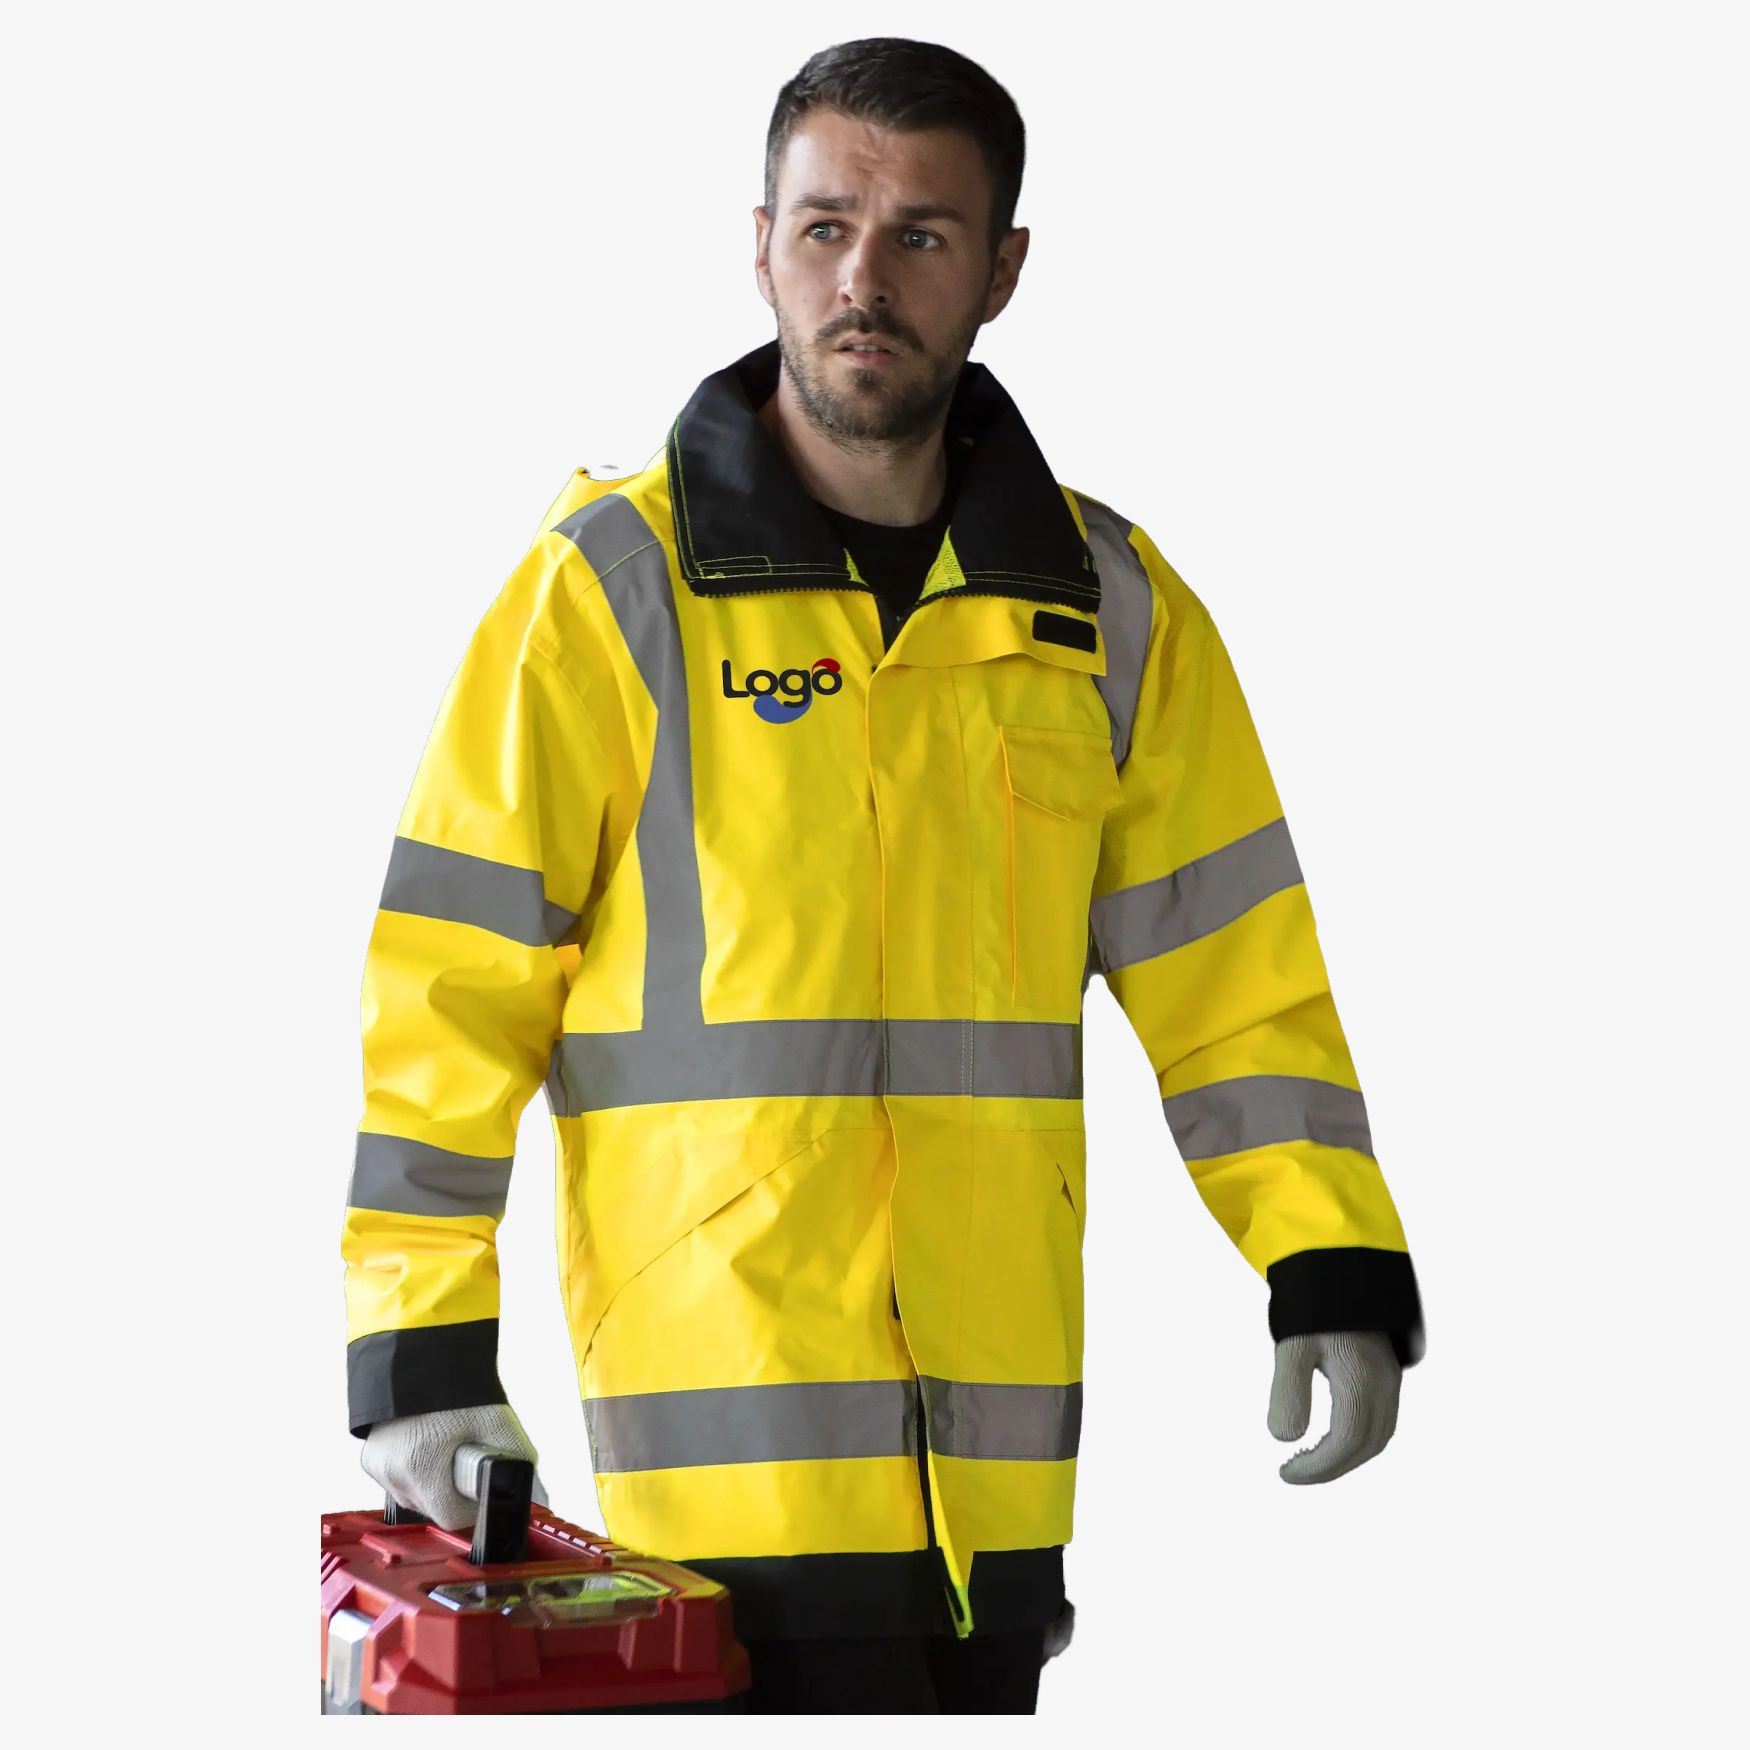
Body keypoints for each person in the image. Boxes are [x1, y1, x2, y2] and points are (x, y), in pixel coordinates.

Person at [341, 36, 1426, 1716]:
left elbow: (1235, 981)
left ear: (1002, 270)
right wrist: (416, 1352)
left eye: (921, 234)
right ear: (758, 244)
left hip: (994, 1488)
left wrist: (1326, 1255)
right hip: (711, 1479)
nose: (864, 276)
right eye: (825, 225)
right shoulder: (609, 597)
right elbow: (449, 990)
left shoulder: (1104, 612)